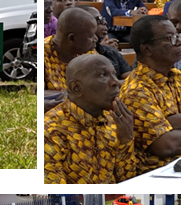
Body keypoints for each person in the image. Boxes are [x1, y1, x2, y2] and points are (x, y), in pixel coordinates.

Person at [118, 14, 181, 174]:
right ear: (146, 49)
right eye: (169, 38)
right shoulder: (136, 91)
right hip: (166, 174)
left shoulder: (178, 76)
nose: (179, 42)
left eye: (178, 36)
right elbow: (166, 145)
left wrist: (176, 122)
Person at [44, 54, 137, 184]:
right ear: (76, 88)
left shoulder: (114, 119)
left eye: (114, 74)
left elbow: (126, 181)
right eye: (102, 75)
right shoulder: (51, 130)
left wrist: (126, 140)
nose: (116, 82)